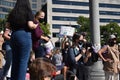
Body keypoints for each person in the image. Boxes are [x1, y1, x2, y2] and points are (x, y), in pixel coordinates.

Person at [6, 0, 38, 80]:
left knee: (15, 61)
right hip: (24, 35)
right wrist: (36, 25)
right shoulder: (28, 11)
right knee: (23, 62)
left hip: (14, 35)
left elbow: (7, 25)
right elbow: (30, 25)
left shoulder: (13, 12)